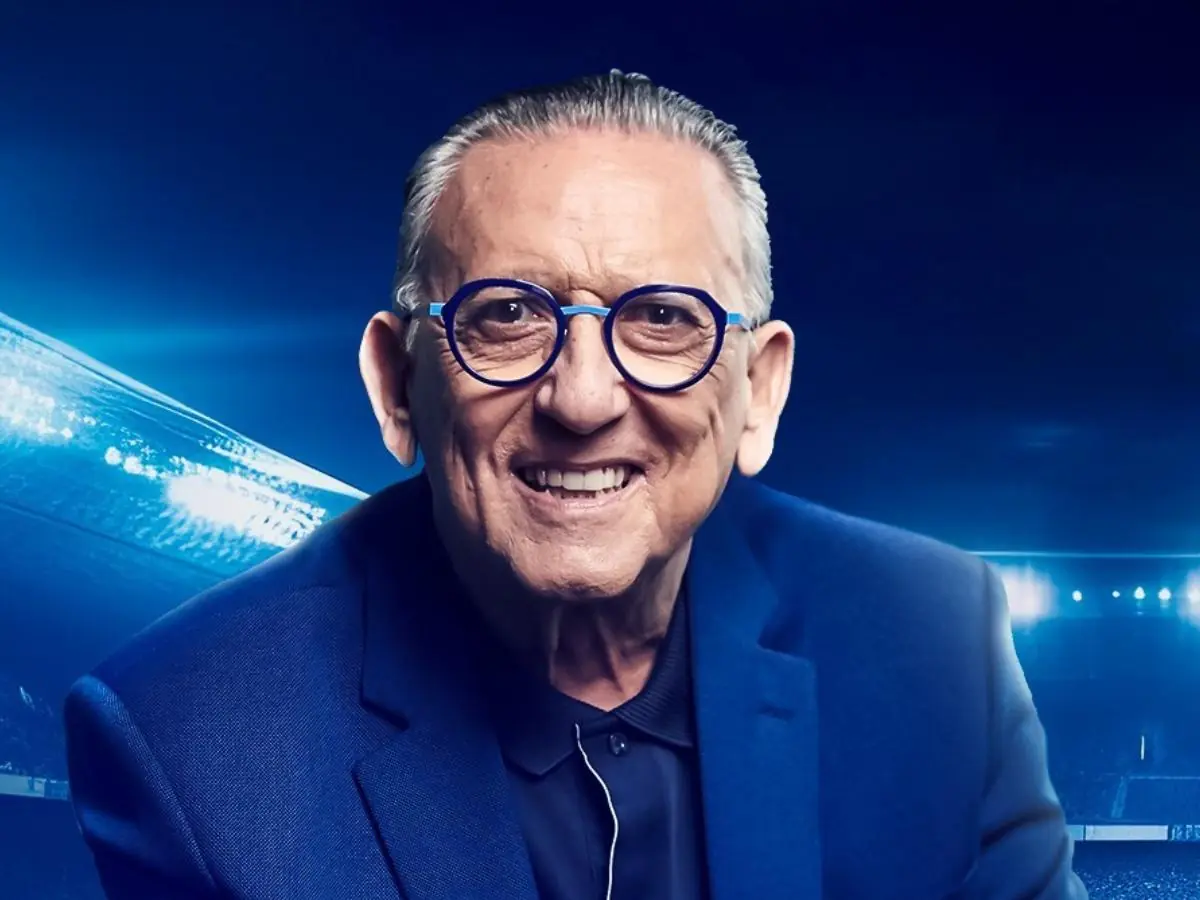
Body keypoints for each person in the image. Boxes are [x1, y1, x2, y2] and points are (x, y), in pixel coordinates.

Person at [64, 71, 1086, 899]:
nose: (584, 398)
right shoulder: (190, 740)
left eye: (665, 320)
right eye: (507, 316)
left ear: (760, 392)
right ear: (398, 385)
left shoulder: (934, 640)